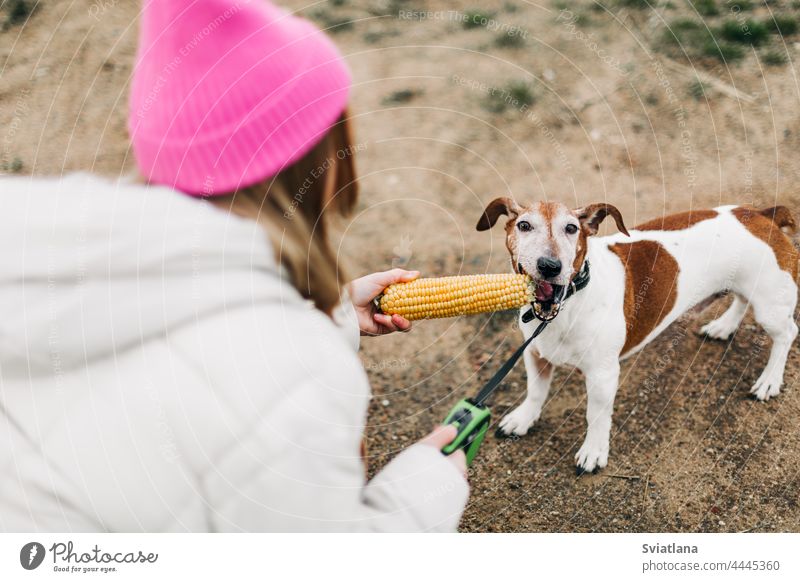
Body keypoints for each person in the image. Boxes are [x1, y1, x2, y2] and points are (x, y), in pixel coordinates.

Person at [0, 0, 469, 532]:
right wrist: (427, 487)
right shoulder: (292, 375)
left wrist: (329, 315)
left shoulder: (38, 248)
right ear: (317, 162)